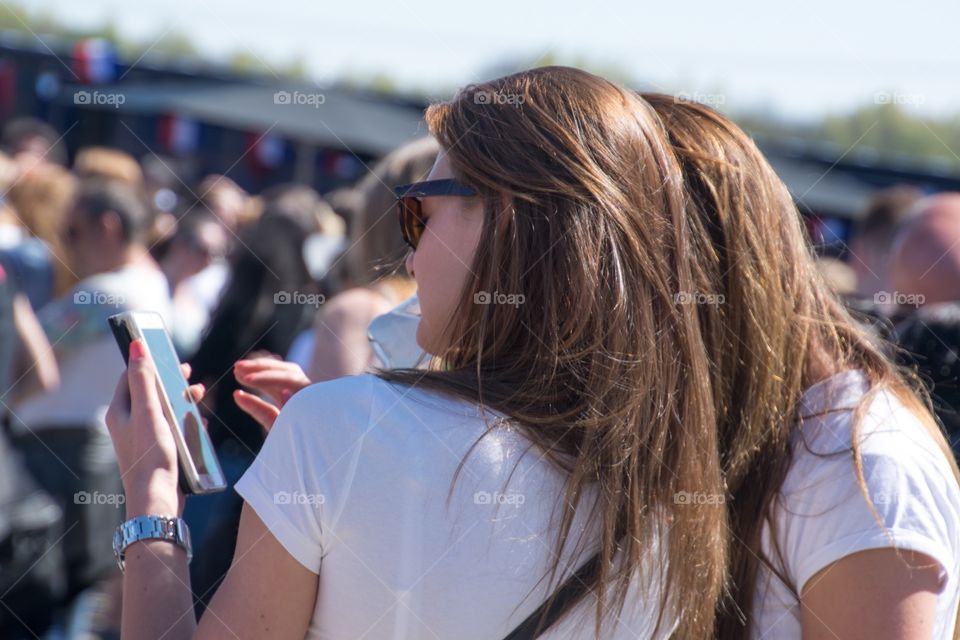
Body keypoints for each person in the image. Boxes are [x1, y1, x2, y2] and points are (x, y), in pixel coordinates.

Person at [106, 67, 960, 639]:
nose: (406, 254)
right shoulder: (698, 470)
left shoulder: (844, 460)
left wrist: (151, 501)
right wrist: (349, 447)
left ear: (508, 221)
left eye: (421, 211)